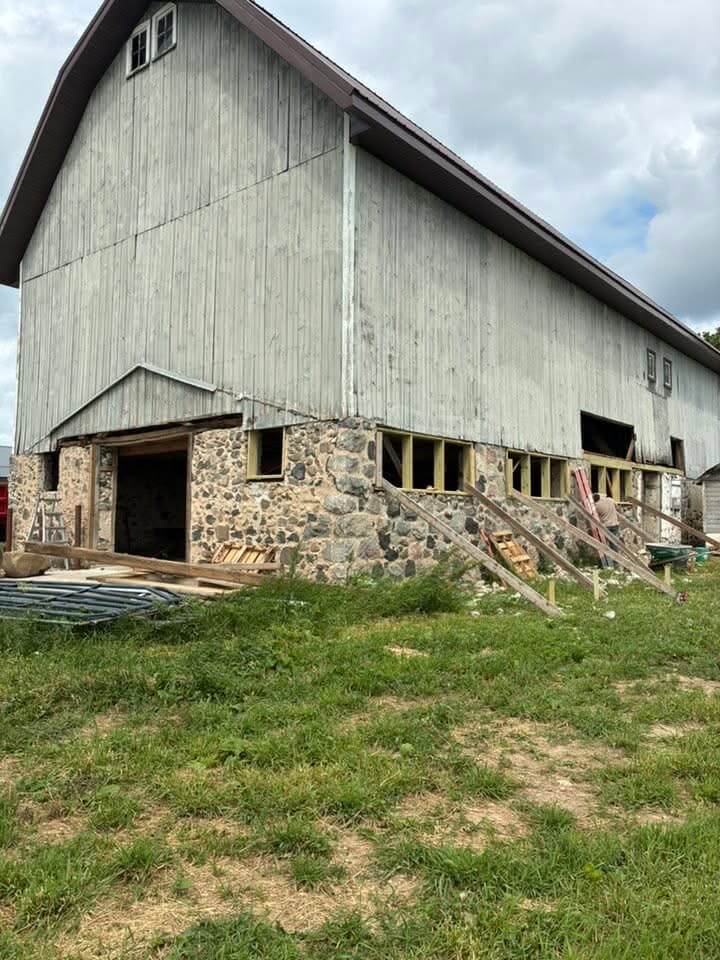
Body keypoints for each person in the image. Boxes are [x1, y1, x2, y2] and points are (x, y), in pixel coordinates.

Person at [593, 493, 620, 567]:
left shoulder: (597, 506)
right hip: (615, 524)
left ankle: (604, 563)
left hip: (606, 527)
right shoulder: (609, 500)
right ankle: (616, 562)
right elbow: (616, 505)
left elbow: (595, 516)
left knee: (604, 544)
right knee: (614, 544)